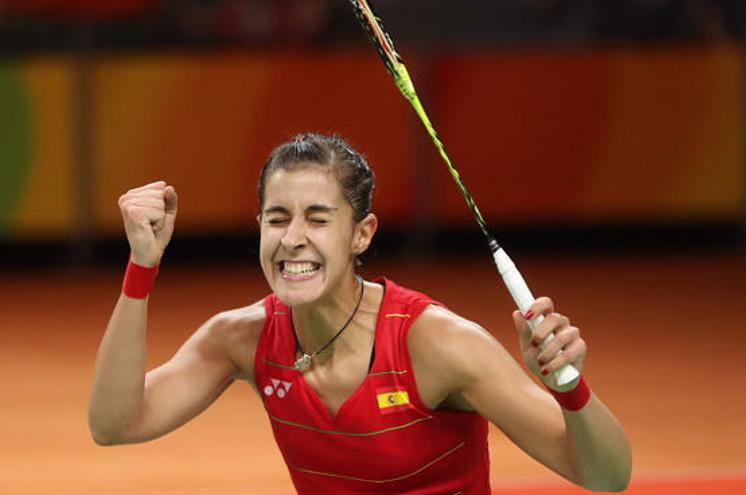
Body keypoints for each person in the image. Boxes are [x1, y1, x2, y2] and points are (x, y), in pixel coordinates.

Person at [88, 133, 631, 493]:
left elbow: (607, 475)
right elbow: (115, 423)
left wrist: (569, 390)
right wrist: (142, 265)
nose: (292, 239)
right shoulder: (243, 337)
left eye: (318, 219)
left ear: (361, 233)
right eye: (277, 218)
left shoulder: (435, 343)